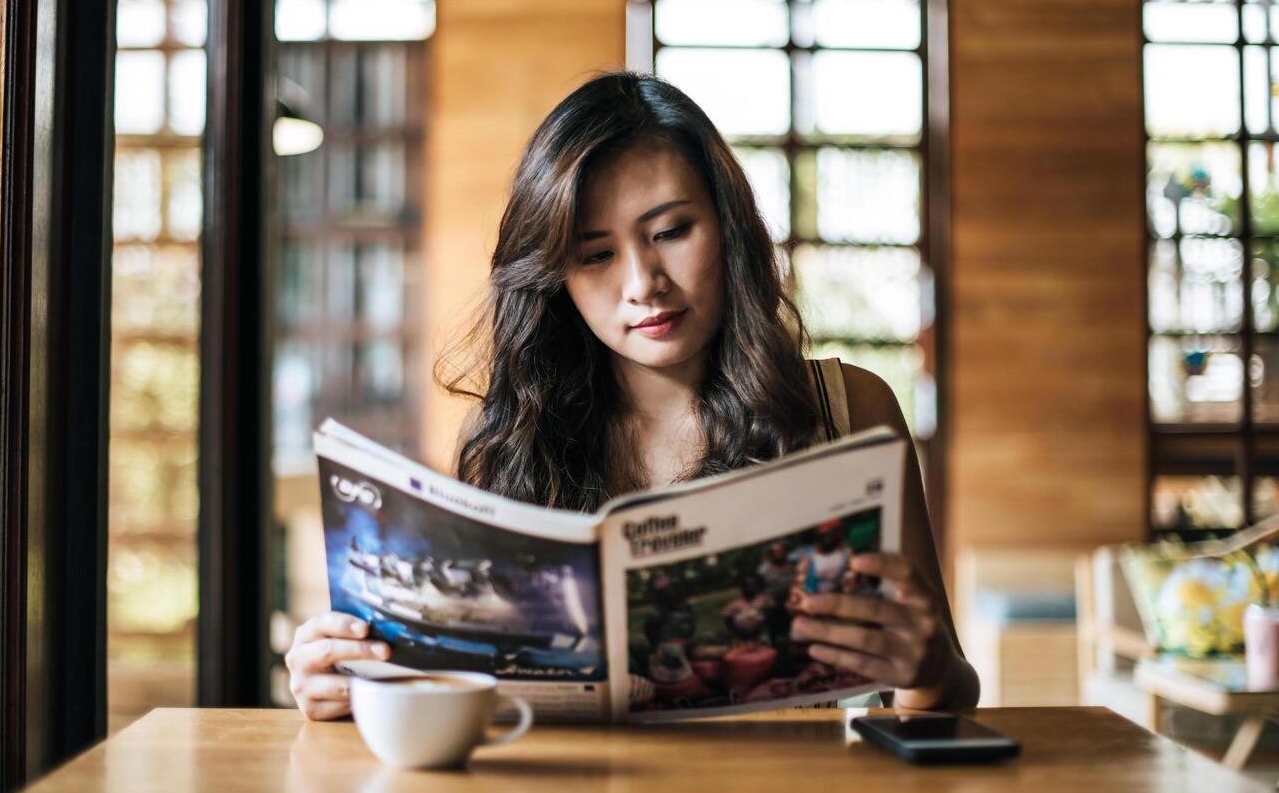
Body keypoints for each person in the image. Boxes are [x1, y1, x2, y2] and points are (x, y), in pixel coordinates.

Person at [286, 72, 980, 720]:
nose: (643, 282)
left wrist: (925, 670)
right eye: (595, 254)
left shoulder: (849, 408)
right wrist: (356, 678)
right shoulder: (506, 442)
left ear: (728, 228)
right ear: (555, 277)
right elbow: (470, 702)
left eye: (671, 232)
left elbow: (946, 690)